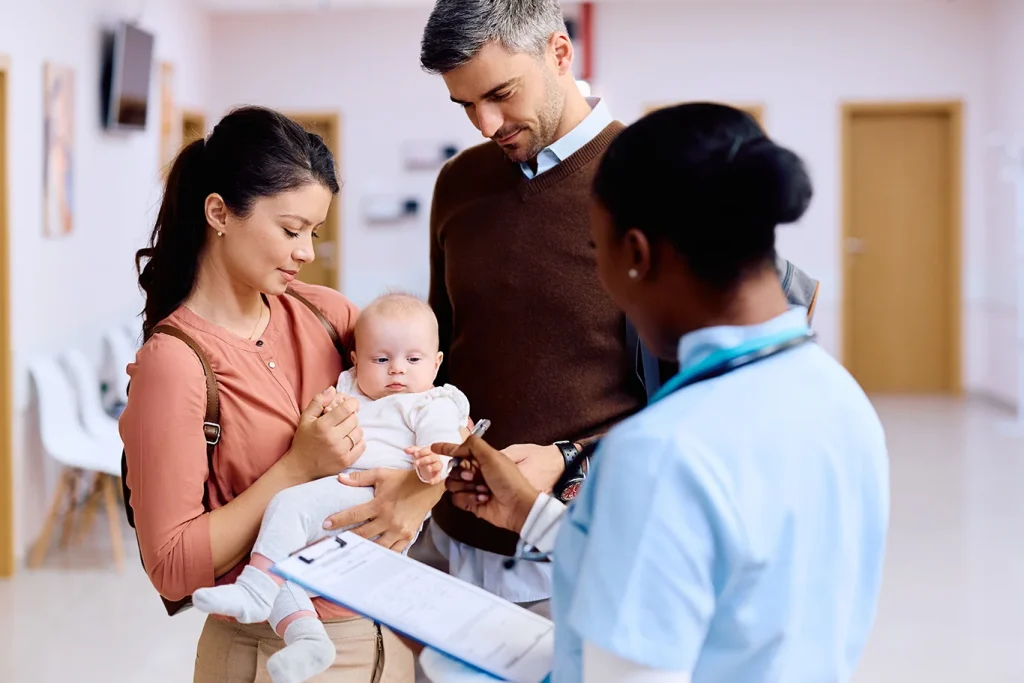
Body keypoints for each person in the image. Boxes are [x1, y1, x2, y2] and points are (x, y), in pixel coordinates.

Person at [421, 102, 890, 682]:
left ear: (635, 255)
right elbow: (700, 574)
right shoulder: (839, 400)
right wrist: (527, 512)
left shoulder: (662, 449)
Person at [386, 0, 821, 618]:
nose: (486, 123)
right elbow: (441, 351)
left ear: (559, 53)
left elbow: (707, 403)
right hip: (450, 544)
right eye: (465, 106)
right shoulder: (458, 183)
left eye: (501, 94)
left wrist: (564, 461)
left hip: (587, 552)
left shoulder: (655, 181)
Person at [119, 106, 414, 682]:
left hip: (386, 636)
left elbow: (419, 401)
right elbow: (172, 567)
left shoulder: (329, 315)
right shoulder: (175, 365)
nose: (306, 251)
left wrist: (418, 494)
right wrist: (297, 467)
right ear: (219, 213)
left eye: (314, 232)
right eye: (290, 230)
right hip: (272, 655)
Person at [189, 293, 470, 683]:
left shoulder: (428, 402)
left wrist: (431, 465)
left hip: (372, 496)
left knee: (287, 506)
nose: (397, 372)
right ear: (355, 360)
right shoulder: (349, 389)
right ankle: (307, 638)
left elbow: (444, 444)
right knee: (282, 562)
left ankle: (254, 591)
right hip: (337, 501)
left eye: (414, 359)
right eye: (382, 359)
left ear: (437, 363)